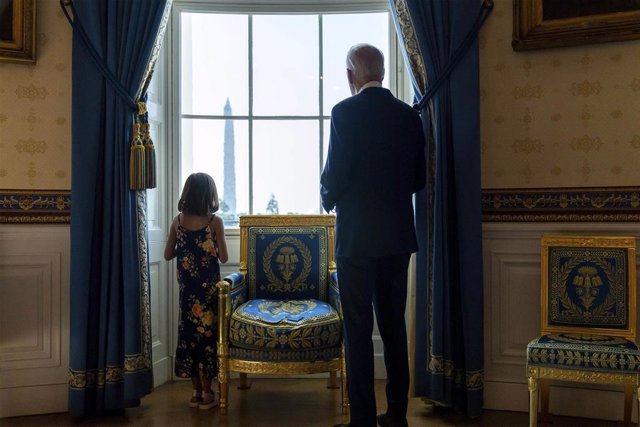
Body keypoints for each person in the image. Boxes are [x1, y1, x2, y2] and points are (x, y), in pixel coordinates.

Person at [321, 44, 426, 427]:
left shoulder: (344, 113)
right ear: (381, 71)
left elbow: (336, 175)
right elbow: (419, 178)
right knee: (394, 326)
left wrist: (326, 196)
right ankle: (397, 416)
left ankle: (362, 420)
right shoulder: (408, 116)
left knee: (358, 330)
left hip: (356, 240)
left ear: (352, 75)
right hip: (398, 237)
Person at [164, 172, 229, 410]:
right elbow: (224, 257)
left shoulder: (177, 221)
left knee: (189, 337)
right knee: (207, 339)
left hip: (187, 293)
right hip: (208, 293)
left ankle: (195, 392)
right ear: (209, 195)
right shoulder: (215, 222)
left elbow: (167, 254)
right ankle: (208, 392)